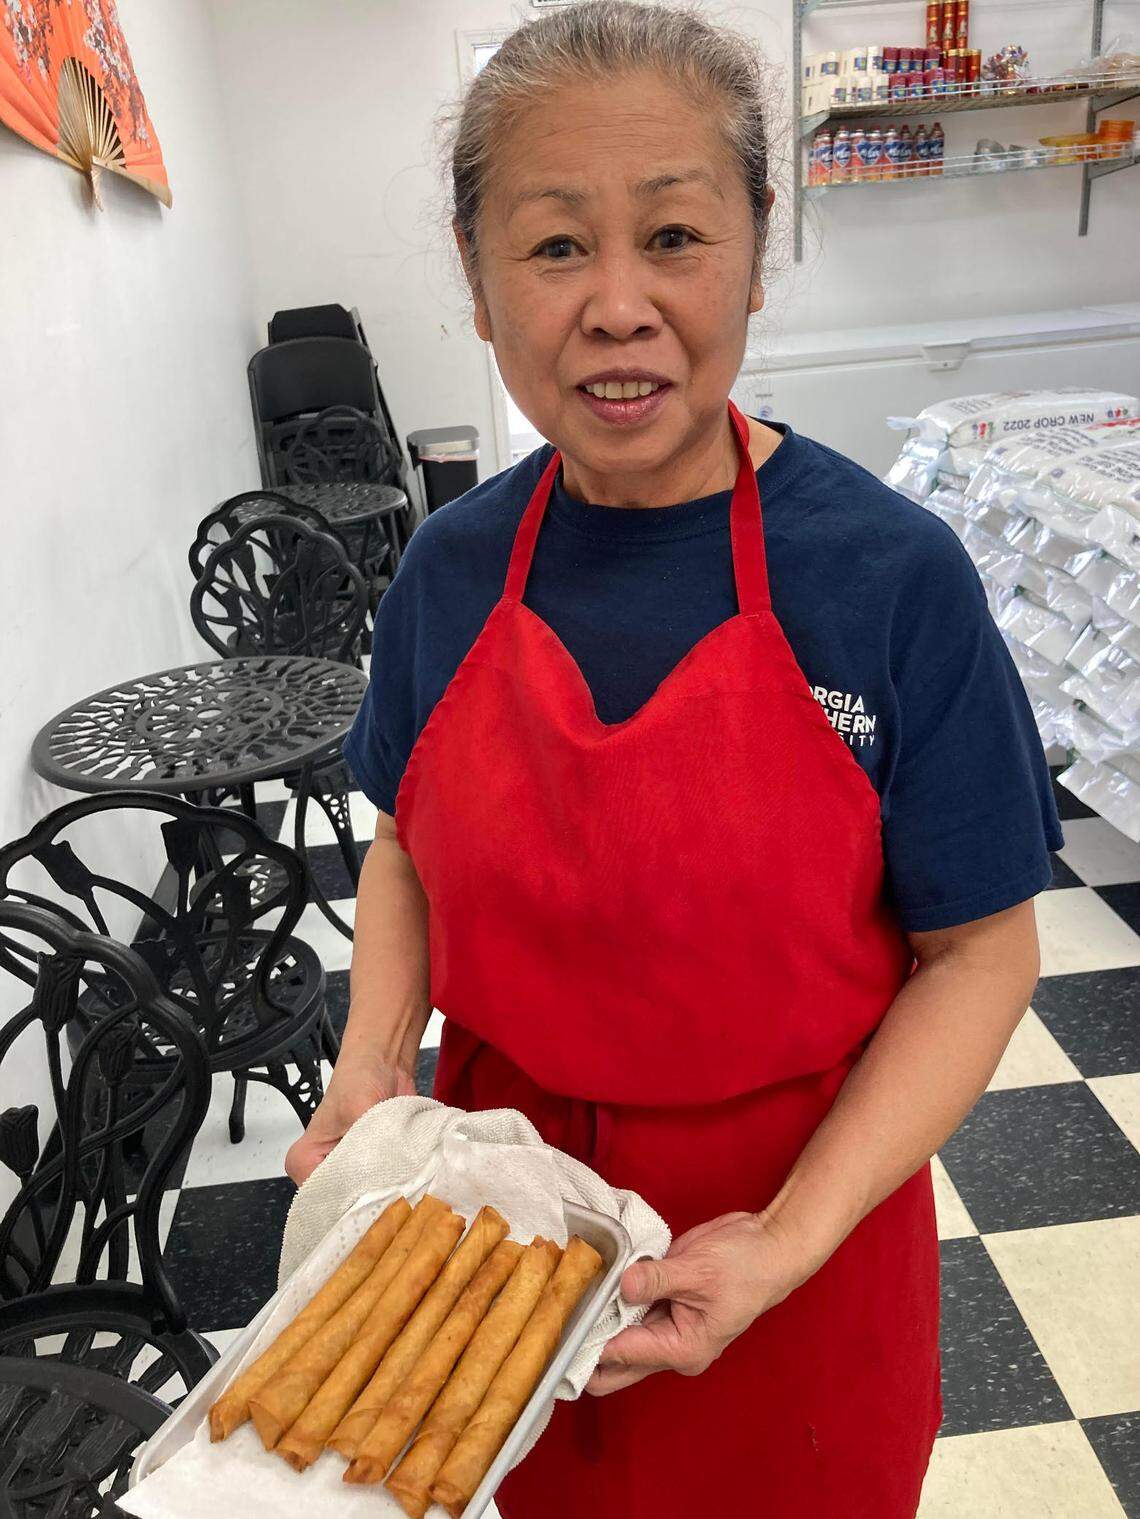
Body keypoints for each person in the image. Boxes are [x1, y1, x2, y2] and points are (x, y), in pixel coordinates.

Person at [285, 4, 1062, 1513]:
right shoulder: (450, 572)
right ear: (476, 276)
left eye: (677, 238)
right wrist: (374, 1064)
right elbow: (403, 851)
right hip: (503, 1238)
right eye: (557, 247)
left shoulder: (888, 577)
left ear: (757, 256)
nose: (618, 306)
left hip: (797, 1240)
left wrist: (783, 1241)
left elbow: (979, 952)